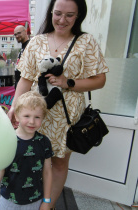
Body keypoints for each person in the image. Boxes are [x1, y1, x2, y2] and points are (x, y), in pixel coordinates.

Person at [7, 0, 109, 209]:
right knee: (31, 156)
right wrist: (14, 106)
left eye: (70, 15)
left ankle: (47, 205)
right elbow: (25, 79)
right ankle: (29, 199)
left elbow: (100, 79)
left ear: (79, 15)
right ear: (51, 12)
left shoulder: (85, 42)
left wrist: (67, 82)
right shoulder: (36, 41)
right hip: (35, 112)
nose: (62, 20)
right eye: (58, 13)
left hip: (66, 115)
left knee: (59, 162)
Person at [0, 91, 53, 210]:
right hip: (8, 200)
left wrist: (47, 201)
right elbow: (1, 166)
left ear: (43, 118)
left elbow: (47, 172)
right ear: (16, 116)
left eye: (37, 117)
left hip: (35, 200)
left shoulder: (44, 142)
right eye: (27, 116)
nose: (32, 121)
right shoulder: (7, 140)